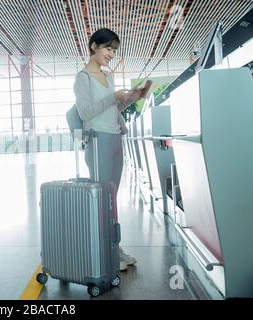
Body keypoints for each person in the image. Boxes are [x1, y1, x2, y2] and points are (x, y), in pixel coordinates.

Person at [74, 28, 148, 271]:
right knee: (102, 199)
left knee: (112, 198)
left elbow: (112, 108)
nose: (111, 54)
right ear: (94, 46)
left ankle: (113, 247)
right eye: (108, 48)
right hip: (98, 140)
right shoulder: (82, 78)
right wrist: (113, 97)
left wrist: (131, 98)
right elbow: (86, 112)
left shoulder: (109, 75)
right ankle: (103, 249)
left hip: (116, 138)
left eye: (114, 51)